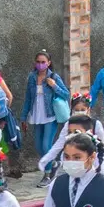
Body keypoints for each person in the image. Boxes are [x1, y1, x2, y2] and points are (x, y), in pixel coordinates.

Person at [23, 50, 69, 187]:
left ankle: (48, 175)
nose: (40, 65)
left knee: (45, 145)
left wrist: (54, 85)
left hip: (50, 116)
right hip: (36, 115)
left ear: (49, 63)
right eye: (38, 62)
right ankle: (54, 163)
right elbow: (28, 98)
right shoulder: (32, 77)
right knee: (38, 145)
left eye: (43, 62)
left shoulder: (54, 76)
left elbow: (66, 95)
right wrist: (23, 117)